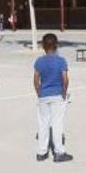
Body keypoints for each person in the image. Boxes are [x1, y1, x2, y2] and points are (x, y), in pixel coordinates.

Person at [34, 33, 73, 163]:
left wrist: (39, 93)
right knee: (57, 123)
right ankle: (59, 152)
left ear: (43, 46)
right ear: (56, 45)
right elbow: (65, 79)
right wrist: (64, 91)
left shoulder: (39, 61)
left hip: (44, 95)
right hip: (57, 94)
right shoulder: (61, 61)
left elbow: (36, 80)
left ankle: (41, 152)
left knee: (43, 123)